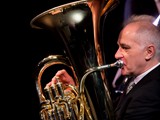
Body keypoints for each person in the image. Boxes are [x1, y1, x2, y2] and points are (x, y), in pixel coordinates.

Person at [46, 14, 160, 120]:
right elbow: (112, 112)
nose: (116, 55)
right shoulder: (137, 80)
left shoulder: (151, 92)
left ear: (149, 52)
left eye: (125, 48)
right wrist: (77, 92)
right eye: (118, 47)